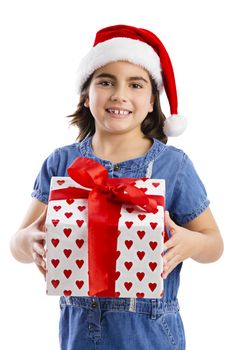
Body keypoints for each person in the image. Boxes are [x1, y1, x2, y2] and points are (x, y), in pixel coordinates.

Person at [10, 24, 223, 350]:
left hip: (150, 336)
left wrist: (190, 243)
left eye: (135, 84)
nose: (119, 94)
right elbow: (17, 243)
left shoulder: (174, 166)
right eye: (106, 82)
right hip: (79, 334)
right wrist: (29, 242)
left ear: (152, 101)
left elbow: (214, 244)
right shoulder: (61, 163)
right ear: (86, 96)